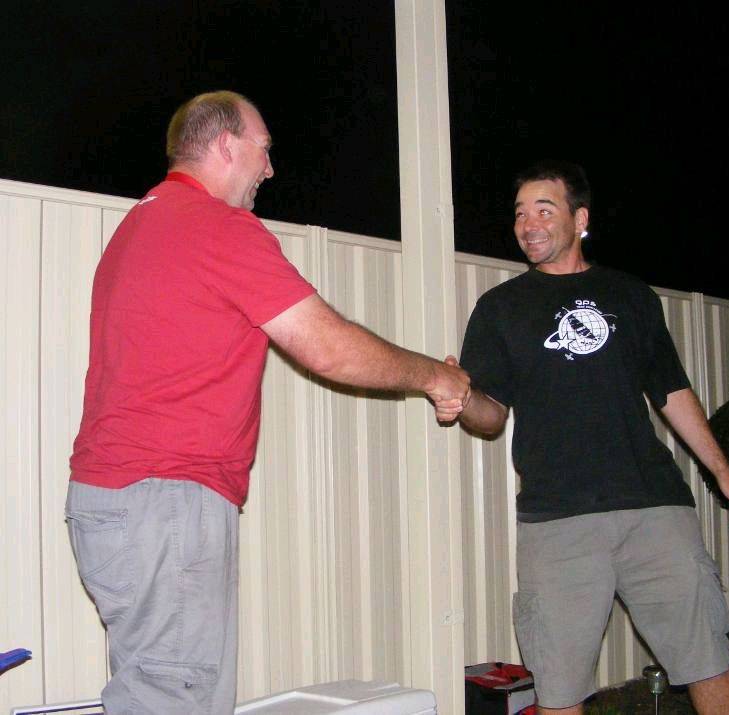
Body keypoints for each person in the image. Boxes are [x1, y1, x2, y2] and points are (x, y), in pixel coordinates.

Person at [66, 90, 469, 715]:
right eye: (265, 149)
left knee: (158, 692)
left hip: (115, 503)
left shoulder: (141, 225)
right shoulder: (215, 226)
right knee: (175, 701)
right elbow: (327, 347)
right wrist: (435, 378)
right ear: (227, 144)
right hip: (165, 501)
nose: (270, 168)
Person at [436, 160, 729, 714]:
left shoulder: (630, 295)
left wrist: (724, 474)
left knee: (706, 657)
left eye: (544, 210)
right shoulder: (499, 309)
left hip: (654, 508)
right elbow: (490, 418)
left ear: (580, 219)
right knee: (559, 687)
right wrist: (463, 399)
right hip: (557, 521)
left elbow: (671, 390)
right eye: (520, 213)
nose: (528, 224)